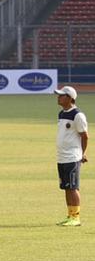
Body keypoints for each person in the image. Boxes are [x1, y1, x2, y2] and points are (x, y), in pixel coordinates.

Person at [54, 85, 88, 227]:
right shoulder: (62, 113)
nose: (58, 97)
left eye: (61, 95)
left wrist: (82, 153)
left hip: (72, 156)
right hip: (62, 156)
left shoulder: (77, 115)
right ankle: (70, 215)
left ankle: (76, 217)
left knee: (73, 187)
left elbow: (85, 136)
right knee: (67, 187)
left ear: (69, 98)